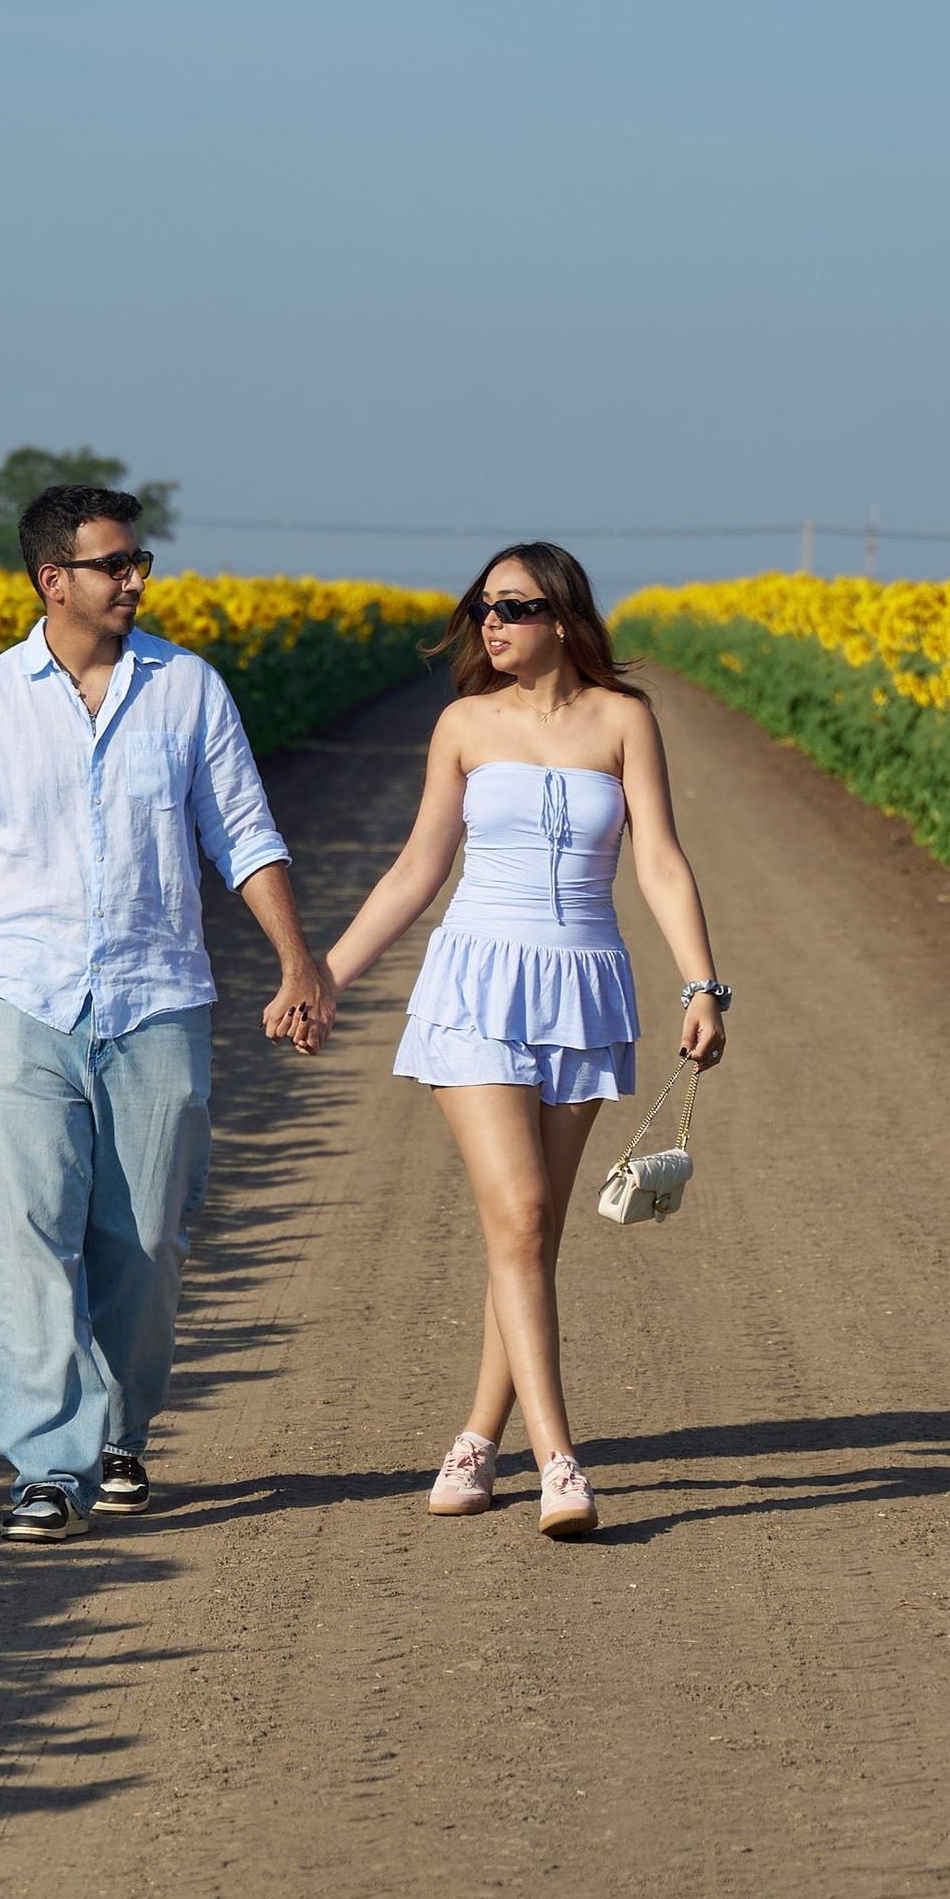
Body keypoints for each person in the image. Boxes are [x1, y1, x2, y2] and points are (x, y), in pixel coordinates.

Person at [0, 484, 335, 1540]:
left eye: (139, 561)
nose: (136, 579)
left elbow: (242, 830)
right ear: (53, 580)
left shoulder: (187, 689)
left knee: (147, 1238)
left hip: (156, 996)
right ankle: (46, 1464)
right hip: (19, 992)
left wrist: (298, 963)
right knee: (24, 1235)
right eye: (114, 565)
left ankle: (119, 1430)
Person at [316, 542, 728, 1540]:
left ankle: (474, 1439)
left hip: (582, 987)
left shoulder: (623, 720)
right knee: (525, 1208)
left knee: (526, 1237)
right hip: (476, 985)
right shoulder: (461, 724)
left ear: (564, 616)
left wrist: (702, 981)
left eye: (513, 607)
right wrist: (320, 976)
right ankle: (559, 1461)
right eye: (481, 608)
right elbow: (416, 869)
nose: (490, 624)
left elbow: (661, 862)